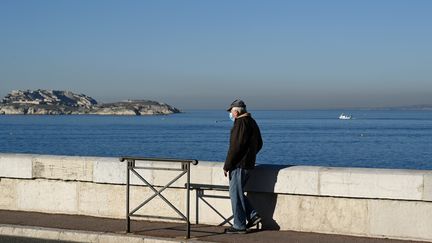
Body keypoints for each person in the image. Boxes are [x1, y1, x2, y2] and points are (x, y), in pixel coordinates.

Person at [223, 99, 263, 234]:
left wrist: (227, 165)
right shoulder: (252, 121)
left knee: (235, 194)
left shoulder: (240, 123)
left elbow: (235, 147)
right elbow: (260, 143)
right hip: (248, 164)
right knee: (238, 193)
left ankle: (239, 225)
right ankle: (253, 215)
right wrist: (251, 155)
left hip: (239, 165)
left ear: (237, 111)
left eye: (231, 111)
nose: (230, 114)